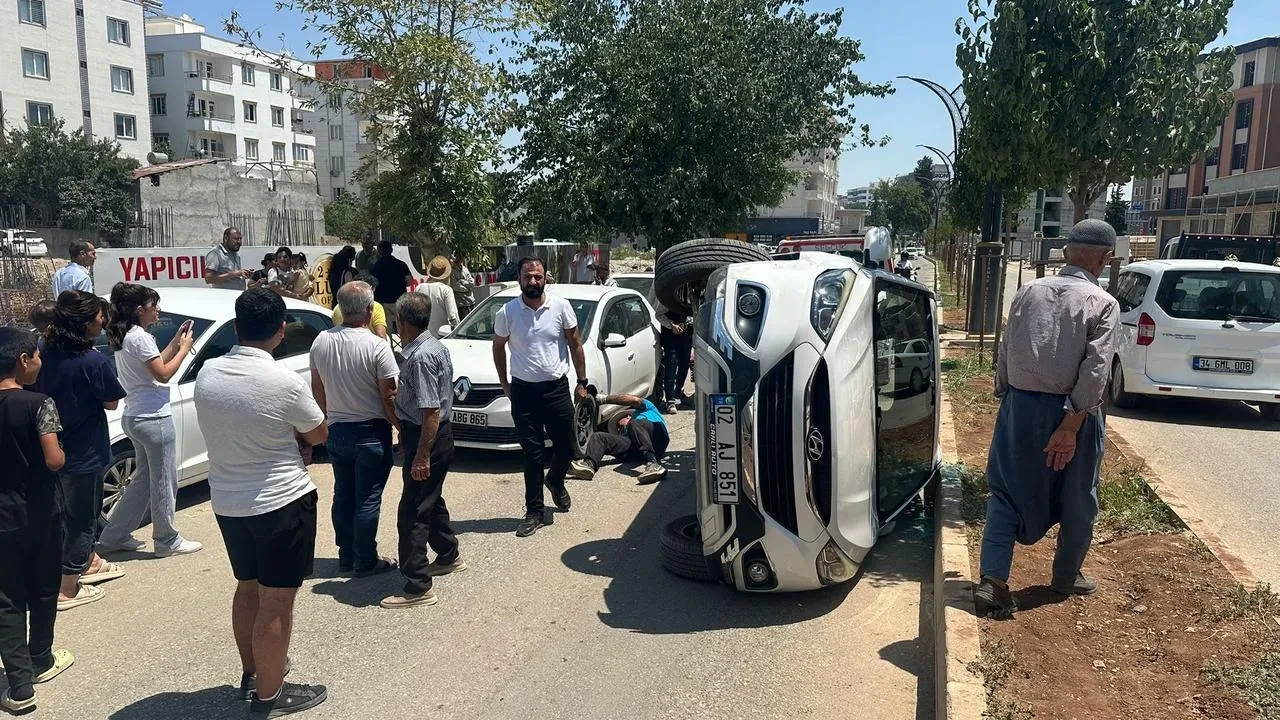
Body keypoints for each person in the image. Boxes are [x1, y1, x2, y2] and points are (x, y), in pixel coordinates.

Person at [973, 219, 1120, 619]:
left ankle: (993, 581)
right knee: (1077, 495)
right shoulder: (1102, 303)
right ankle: (1066, 576)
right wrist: (1070, 428)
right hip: (1073, 413)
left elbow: (1006, 347)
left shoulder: (1027, 292)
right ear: (1105, 258)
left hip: (1019, 407)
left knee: (1005, 493)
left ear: (1066, 252)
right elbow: (1096, 370)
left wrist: (1009, 398)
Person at [193, 287, 329, 717]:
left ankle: (253, 673)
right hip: (280, 500)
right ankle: (270, 695)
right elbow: (318, 432)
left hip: (229, 502)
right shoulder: (284, 382)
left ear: (236, 327)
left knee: (247, 587)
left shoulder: (209, 373)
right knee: (277, 600)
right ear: (280, 330)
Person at [29, 291, 128, 611]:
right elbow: (112, 401)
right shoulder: (93, 361)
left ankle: (87, 564)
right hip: (84, 452)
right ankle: (68, 587)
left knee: (57, 517)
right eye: (100, 320)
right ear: (85, 324)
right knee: (82, 519)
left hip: (46, 448)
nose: (103, 325)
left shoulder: (39, 354)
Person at [97, 283, 203, 558]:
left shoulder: (127, 336)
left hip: (136, 415)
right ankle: (167, 539)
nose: (158, 310)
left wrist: (175, 343)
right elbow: (164, 374)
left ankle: (113, 536)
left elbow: (154, 364)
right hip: (153, 416)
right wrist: (185, 349)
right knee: (164, 480)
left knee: (143, 481)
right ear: (139, 309)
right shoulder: (140, 338)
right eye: (153, 305)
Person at [0, 328, 74, 714]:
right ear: (23, 361)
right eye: (36, 356)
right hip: (41, 511)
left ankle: (19, 687)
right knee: (44, 588)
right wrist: (61, 446)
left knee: (6, 600)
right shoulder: (38, 403)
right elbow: (54, 460)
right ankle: (41, 659)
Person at [492, 257, 589, 538]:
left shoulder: (560, 307)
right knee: (532, 454)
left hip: (556, 390)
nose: (533, 281)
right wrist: (505, 383)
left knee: (569, 446)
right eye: (527, 276)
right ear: (519, 279)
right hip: (524, 393)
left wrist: (582, 382)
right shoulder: (507, 312)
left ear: (546, 278)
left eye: (538, 276)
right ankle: (534, 511)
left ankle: (556, 481)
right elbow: (498, 348)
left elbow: (575, 343)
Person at [310, 282, 400, 575]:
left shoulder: (321, 340)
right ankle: (365, 558)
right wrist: (400, 426)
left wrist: (326, 418)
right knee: (368, 497)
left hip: (337, 429)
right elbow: (389, 395)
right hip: (370, 432)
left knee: (343, 494)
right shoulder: (376, 345)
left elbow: (317, 387)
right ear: (370, 310)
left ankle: (346, 554)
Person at [381, 293, 464, 609]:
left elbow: (430, 411)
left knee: (412, 511)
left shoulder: (420, 357)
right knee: (430, 496)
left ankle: (417, 586)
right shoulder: (435, 347)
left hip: (429, 438)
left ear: (401, 322)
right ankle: (448, 554)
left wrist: (421, 454)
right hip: (429, 435)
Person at [568, 393, 668, 484]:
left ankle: (653, 464)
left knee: (634, 424)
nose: (619, 427)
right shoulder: (627, 433)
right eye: (618, 428)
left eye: (620, 422)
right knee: (599, 436)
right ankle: (588, 465)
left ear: (628, 415)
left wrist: (605, 399)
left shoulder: (646, 410)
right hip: (638, 450)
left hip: (658, 436)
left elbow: (635, 400)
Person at [651, 286, 692, 414]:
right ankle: (670, 400)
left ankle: (677, 391)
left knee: (684, 365)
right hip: (671, 337)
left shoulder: (691, 296)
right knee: (671, 367)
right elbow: (659, 314)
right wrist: (671, 325)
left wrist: (689, 322)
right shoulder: (669, 298)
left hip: (686, 336)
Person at [370, 240, 412, 333]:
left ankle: (387, 347)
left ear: (379, 252)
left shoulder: (375, 267)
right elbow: (409, 281)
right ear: (391, 250)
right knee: (402, 329)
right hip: (399, 300)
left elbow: (373, 285)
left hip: (382, 302)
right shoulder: (401, 264)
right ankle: (405, 347)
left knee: (386, 330)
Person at [415, 256, 460, 338]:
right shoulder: (446, 290)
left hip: (422, 337)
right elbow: (453, 316)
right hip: (441, 336)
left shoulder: (419, 288)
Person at [450, 252, 476, 318]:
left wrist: (462, 281)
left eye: (461, 258)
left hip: (471, 302)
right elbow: (455, 286)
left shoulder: (465, 269)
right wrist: (467, 288)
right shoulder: (452, 271)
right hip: (461, 304)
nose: (460, 260)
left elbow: (472, 283)